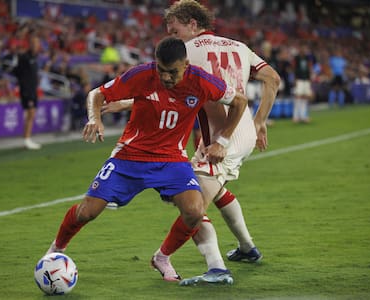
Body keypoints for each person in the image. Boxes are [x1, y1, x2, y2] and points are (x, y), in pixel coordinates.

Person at [45, 37, 249, 285]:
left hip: (172, 160)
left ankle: (162, 258)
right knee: (87, 212)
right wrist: (94, 118)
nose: (165, 77)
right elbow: (97, 94)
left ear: (185, 64)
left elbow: (239, 101)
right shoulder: (141, 75)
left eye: (172, 72)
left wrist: (223, 141)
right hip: (129, 156)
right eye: (161, 71)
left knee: (195, 211)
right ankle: (55, 250)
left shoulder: (202, 80)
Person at [105, 0, 280, 286]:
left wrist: (123, 102)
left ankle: (215, 268)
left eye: (175, 31)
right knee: (215, 190)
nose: (172, 38)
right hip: (243, 128)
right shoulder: (238, 46)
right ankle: (247, 249)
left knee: (192, 203)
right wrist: (259, 122)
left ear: (192, 25)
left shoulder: (187, 53)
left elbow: (159, 88)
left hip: (223, 135)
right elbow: (272, 78)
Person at [12, 35, 41, 150]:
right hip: (27, 90)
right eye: (33, 43)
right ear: (30, 44)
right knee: (30, 114)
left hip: (33, 90)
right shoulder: (24, 57)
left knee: (32, 114)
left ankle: (27, 139)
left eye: (37, 43)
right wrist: (25, 90)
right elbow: (19, 74)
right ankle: (26, 139)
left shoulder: (35, 57)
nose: (35, 46)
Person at [292, 44, 313, 123]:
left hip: (306, 79)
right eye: (302, 48)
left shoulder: (308, 58)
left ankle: (303, 116)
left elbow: (309, 69)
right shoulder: (296, 58)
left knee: (305, 97)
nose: (304, 49)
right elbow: (294, 69)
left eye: (305, 48)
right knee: (298, 97)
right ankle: (296, 116)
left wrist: (310, 79)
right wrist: (295, 79)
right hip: (299, 79)